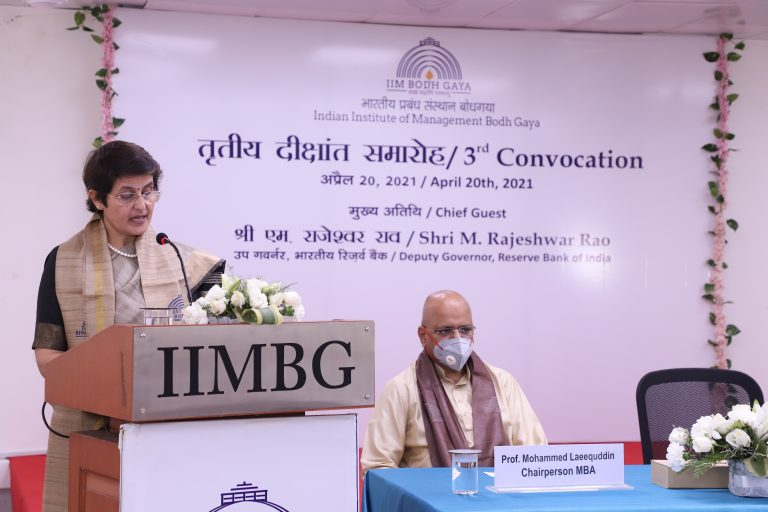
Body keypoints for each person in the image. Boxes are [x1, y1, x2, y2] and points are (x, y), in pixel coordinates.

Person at [32, 140, 224, 512]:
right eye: (127, 195)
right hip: (91, 424)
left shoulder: (190, 264)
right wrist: (104, 382)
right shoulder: (63, 261)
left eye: (149, 191)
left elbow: (218, 345)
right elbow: (47, 355)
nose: (142, 205)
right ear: (96, 198)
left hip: (170, 425)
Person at [361, 290, 546, 472]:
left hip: (498, 493)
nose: (458, 338)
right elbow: (377, 468)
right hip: (429, 493)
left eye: (465, 330)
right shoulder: (401, 389)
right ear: (423, 336)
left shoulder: (503, 383)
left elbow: (535, 456)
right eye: (445, 331)